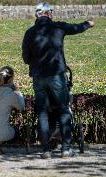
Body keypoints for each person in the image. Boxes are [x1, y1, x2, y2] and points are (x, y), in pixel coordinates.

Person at [22, 2, 94, 159]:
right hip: (57, 76)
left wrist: (36, 62)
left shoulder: (30, 32)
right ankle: (66, 149)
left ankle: (46, 150)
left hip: (38, 77)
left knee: (41, 112)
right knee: (63, 108)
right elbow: (76, 28)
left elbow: (26, 58)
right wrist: (88, 24)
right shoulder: (58, 27)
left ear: (37, 15)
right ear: (48, 14)